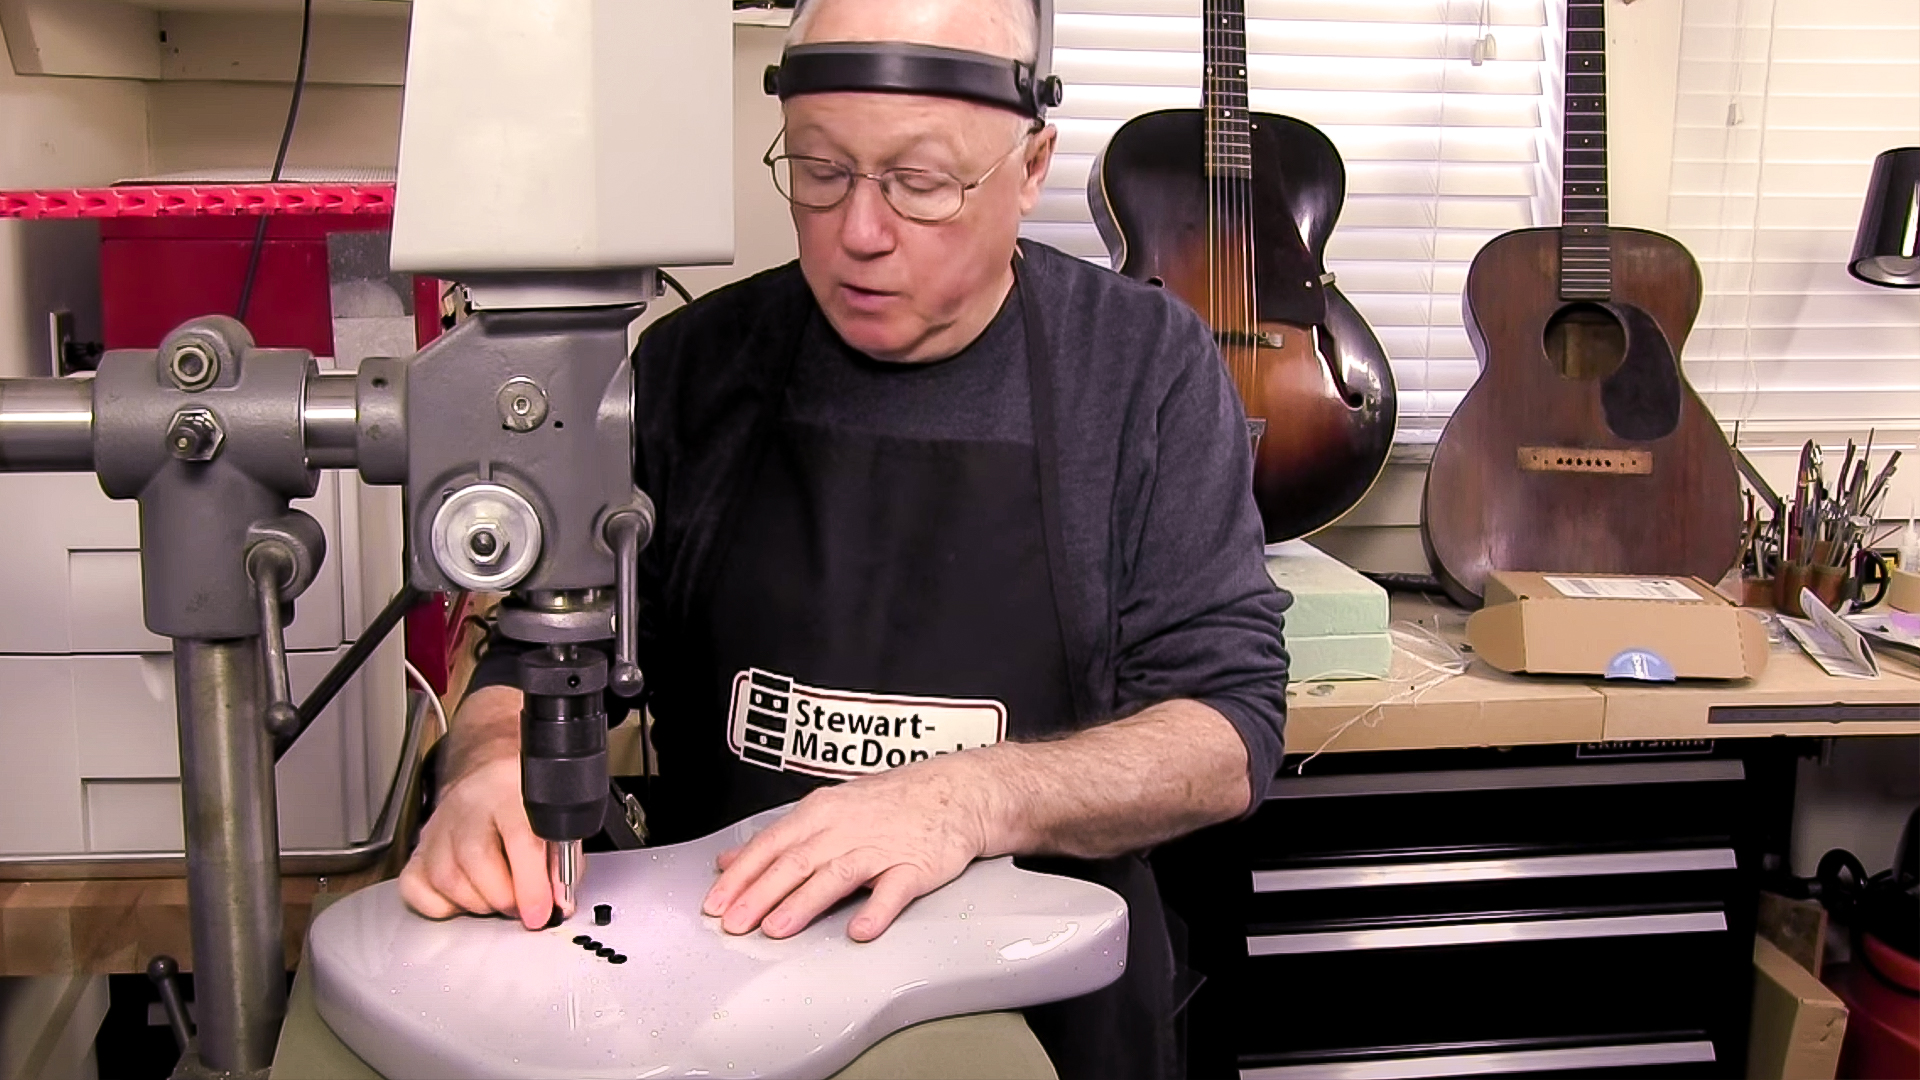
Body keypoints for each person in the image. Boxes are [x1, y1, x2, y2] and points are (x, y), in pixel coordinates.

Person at [399, 0, 1290, 1074]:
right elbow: (535, 657)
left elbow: (1227, 737)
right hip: (724, 1006)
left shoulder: (1144, 370)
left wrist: (971, 796)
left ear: (1032, 164)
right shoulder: (690, 370)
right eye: (819, 173)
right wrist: (489, 770)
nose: (859, 231)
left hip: (1042, 1026)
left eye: (920, 183)